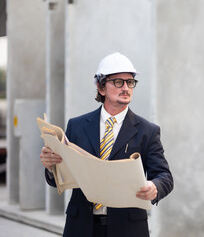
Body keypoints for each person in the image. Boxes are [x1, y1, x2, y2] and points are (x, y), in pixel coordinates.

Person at [40, 52, 174, 237]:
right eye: (118, 82)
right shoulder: (76, 126)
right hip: (81, 226)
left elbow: (165, 176)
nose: (126, 87)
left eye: (130, 82)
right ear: (101, 87)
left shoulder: (147, 131)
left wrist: (154, 186)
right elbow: (57, 179)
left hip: (127, 228)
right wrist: (50, 167)